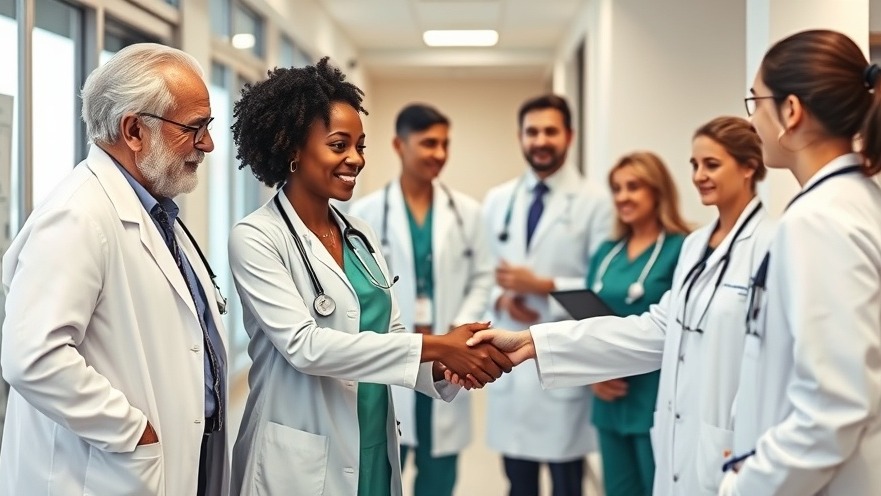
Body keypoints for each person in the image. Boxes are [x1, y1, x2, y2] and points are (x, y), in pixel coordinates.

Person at [226, 58, 512, 496]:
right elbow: (306, 347)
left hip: (373, 434)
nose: (355, 160)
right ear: (293, 150)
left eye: (360, 146)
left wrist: (445, 366)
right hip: (303, 452)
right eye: (339, 145)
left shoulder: (360, 233)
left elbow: (390, 331)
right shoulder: (256, 237)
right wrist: (441, 344)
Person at [463, 116, 776, 496]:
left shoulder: (771, 243)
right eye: (694, 165)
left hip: (717, 420)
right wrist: (531, 343)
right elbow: (656, 326)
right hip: (658, 408)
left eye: (711, 164)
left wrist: (536, 325)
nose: (698, 176)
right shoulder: (696, 247)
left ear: (749, 167)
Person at [0, 43, 229, 495]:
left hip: (180, 457)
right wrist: (133, 432)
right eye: (194, 127)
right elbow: (31, 357)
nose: (207, 143)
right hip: (107, 470)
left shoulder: (156, 211)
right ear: (134, 130)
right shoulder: (78, 216)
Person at [717, 29, 881, 496]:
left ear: (790, 111)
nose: (753, 122)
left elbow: (835, 406)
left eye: (756, 102)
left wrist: (747, 485)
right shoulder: (856, 201)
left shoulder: (818, 220)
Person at [349, 103, 492, 496]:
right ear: (399, 144)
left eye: (445, 144)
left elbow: (483, 277)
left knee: (439, 474)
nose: (439, 154)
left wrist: (457, 330)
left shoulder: (468, 213)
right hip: (395, 353)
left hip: (448, 356)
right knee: (383, 465)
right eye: (429, 143)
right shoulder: (365, 214)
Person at [481, 94, 612, 496]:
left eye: (550, 131)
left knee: (566, 482)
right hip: (511, 360)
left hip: (563, 355)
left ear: (569, 135)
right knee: (517, 481)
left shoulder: (597, 202)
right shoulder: (498, 199)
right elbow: (483, 274)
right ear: (520, 137)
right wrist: (501, 299)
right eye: (532, 131)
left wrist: (542, 286)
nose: (540, 140)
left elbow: (602, 289)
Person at [588, 151, 690, 496]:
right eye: (616, 188)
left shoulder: (684, 248)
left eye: (633, 187)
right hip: (609, 395)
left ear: (657, 190)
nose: (623, 197)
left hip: (656, 396)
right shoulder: (607, 252)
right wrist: (592, 376)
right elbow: (587, 322)